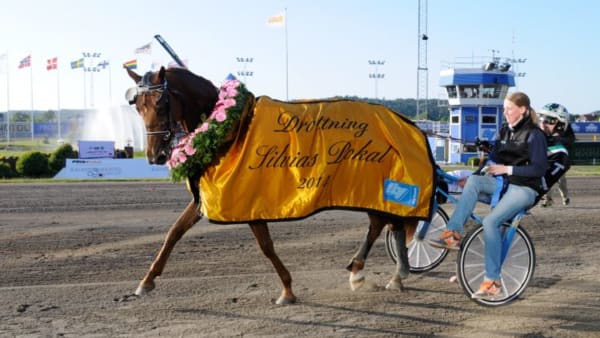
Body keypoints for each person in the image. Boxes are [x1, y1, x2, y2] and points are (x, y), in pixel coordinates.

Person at [429, 92, 548, 300]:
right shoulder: (504, 131)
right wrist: (475, 177)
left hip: (525, 189)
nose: (505, 113)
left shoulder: (535, 135)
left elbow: (539, 169)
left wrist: (507, 170)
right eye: (504, 109)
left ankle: (493, 281)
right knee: (473, 182)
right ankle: (453, 234)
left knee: (491, 221)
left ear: (522, 110)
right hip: (504, 184)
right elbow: (493, 159)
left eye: (508, 109)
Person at [539, 103, 575, 207]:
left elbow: (566, 143)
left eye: (549, 120)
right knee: (546, 177)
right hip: (547, 160)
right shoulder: (543, 131)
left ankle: (565, 197)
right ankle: (548, 199)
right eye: (541, 118)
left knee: (560, 180)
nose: (543, 122)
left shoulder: (566, 136)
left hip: (559, 161)